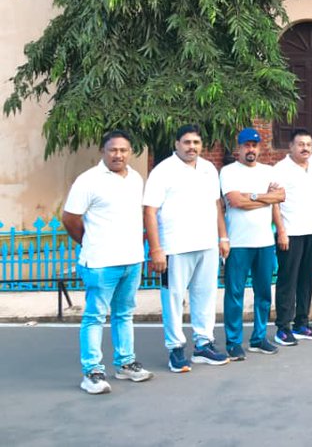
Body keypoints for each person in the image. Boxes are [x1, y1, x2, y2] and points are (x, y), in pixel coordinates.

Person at [62, 130, 154, 394]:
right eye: (113, 150)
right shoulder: (88, 181)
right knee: (94, 316)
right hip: (101, 262)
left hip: (132, 259)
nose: (118, 155)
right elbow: (70, 218)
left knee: (124, 314)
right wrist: (89, 242)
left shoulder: (135, 178)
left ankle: (125, 364)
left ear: (130, 152)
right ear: (103, 151)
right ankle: (92, 372)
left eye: (124, 150)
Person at [143, 124, 229, 372]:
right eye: (187, 142)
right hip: (175, 246)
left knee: (206, 295)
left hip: (207, 244)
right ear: (177, 144)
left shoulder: (208, 169)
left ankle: (203, 344)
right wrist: (156, 249)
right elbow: (150, 210)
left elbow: (216, 204)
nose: (192, 147)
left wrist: (223, 237)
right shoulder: (163, 171)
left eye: (196, 143)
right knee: (173, 297)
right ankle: (176, 348)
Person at [220, 128, 285, 359]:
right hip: (238, 242)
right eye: (246, 145)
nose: (251, 149)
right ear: (238, 148)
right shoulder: (228, 171)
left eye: (254, 145)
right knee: (235, 293)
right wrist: (263, 198)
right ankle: (233, 341)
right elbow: (235, 201)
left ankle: (259, 338)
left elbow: (280, 196)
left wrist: (253, 197)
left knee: (264, 292)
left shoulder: (268, 171)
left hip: (264, 242)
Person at [272, 129, 312, 346]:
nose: (305, 148)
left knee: (306, 280)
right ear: (291, 147)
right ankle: (283, 328)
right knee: (288, 280)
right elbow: (275, 203)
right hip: (291, 233)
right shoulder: (280, 169)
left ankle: (301, 323)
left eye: (308, 144)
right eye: (300, 144)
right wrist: (281, 231)